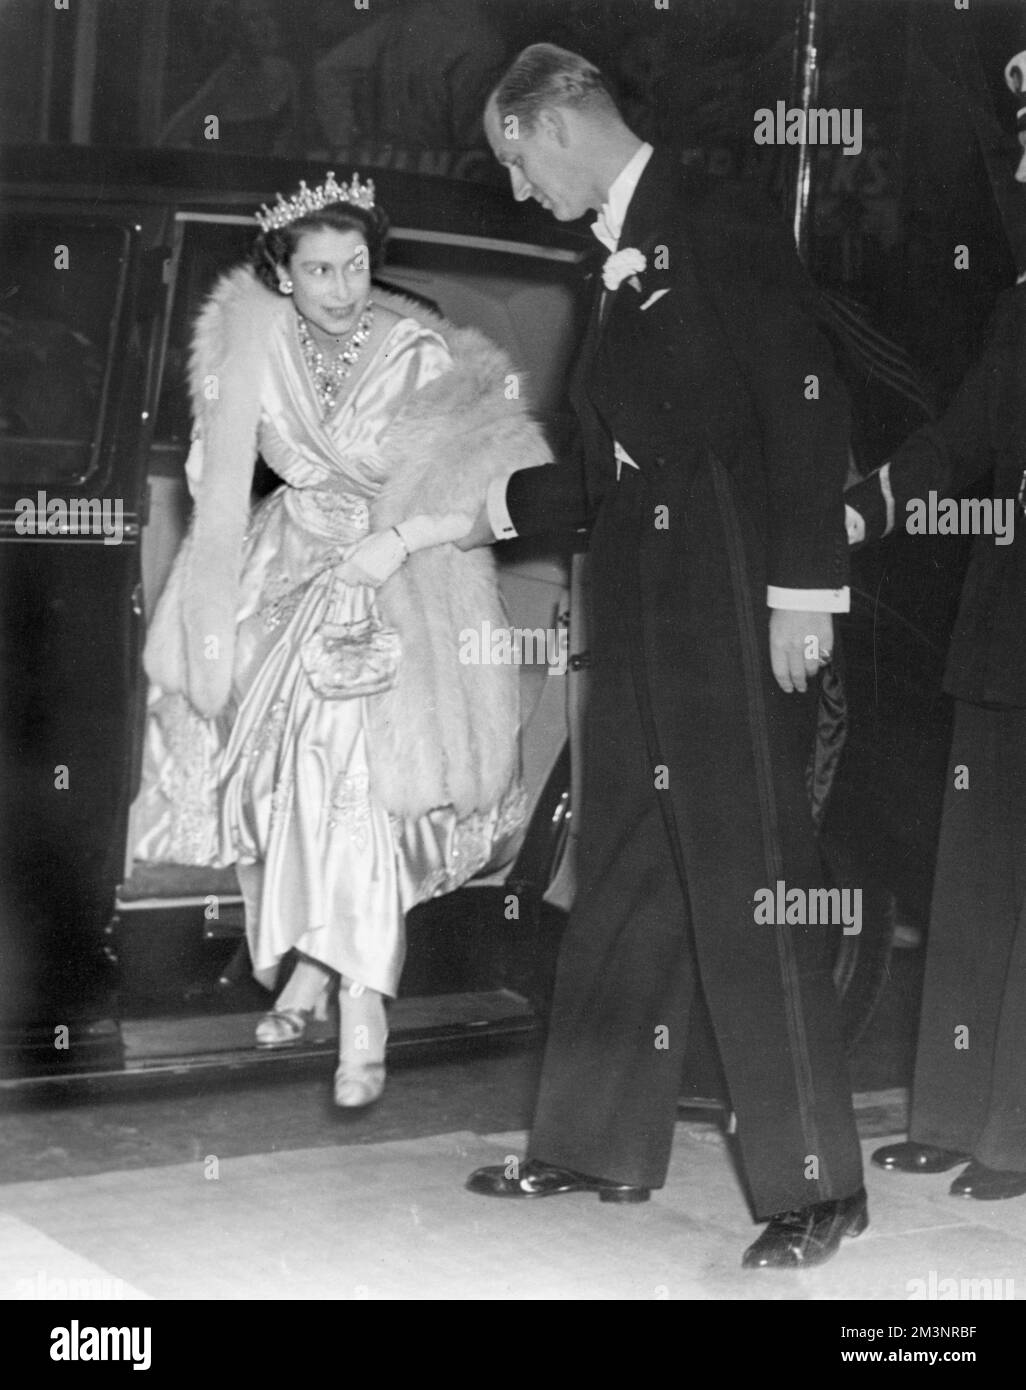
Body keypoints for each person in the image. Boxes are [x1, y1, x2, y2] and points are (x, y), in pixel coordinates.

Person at [459, 44, 865, 1269]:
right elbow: (607, 465)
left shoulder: (720, 215)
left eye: (516, 161)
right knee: (627, 855)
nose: (520, 190)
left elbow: (805, 401)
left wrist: (807, 591)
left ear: (557, 124)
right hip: (642, 598)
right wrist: (463, 512)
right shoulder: (614, 259)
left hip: (734, 588)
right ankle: (592, 1142)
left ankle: (816, 1187)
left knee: (751, 869)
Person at [130, 171, 547, 1106]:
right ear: (282, 273)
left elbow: (503, 494)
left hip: (393, 588)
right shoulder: (250, 349)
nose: (341, 287)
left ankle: (364, 1008)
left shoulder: (422, 355)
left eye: (356, 265)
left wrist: (394, 539)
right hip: (278, 581)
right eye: (319, 269)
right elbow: (221, 477)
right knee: (273, 788)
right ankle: (314, 968)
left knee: (356, 792)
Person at [849, 49, 1026, 1202]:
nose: (1020, 163)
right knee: (976, 870)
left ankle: (1016, 1133)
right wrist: (862, 507)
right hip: (1009, 615)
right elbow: (964, 437)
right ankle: (957, 1112)